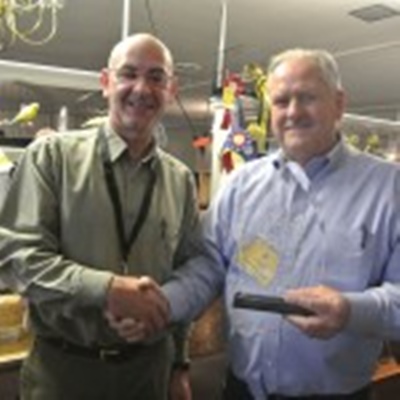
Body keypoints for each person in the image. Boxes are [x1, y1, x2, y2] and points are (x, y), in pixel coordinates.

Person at [157, 49, 400, 399]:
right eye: (282, 101)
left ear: (339, 103)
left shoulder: (388, 188)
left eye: (307, 97)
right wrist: (163, 305)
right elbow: (206, 266)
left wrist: (349, 311)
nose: (293, 112)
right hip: (241, 391)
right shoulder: (241, 185)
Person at [0, 33, 199, 400]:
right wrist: (106, 291)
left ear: (171, 90)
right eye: (128, 74)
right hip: (65, 374)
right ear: (106, 82)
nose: (142, 88)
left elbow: (186, 271)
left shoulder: (181, 180)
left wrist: (179, 364)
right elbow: (17, 258)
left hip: (149, 374)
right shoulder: (52, 158)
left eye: (156, 77)